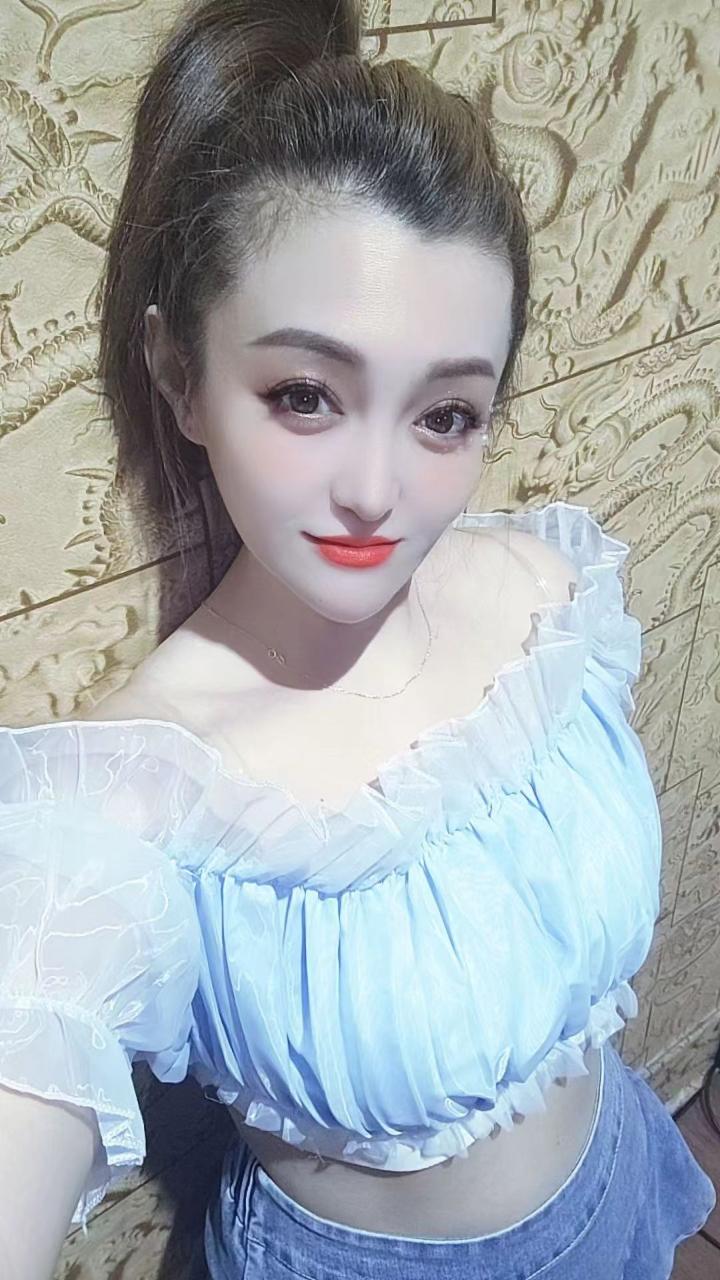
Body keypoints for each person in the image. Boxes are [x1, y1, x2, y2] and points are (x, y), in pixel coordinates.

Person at [0, 1, 716, 1277]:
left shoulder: (551, 594)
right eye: (305, 395)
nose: (378, 492)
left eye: (446, 415)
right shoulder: (132, 794)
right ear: (180, 375)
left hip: (616, 1180)